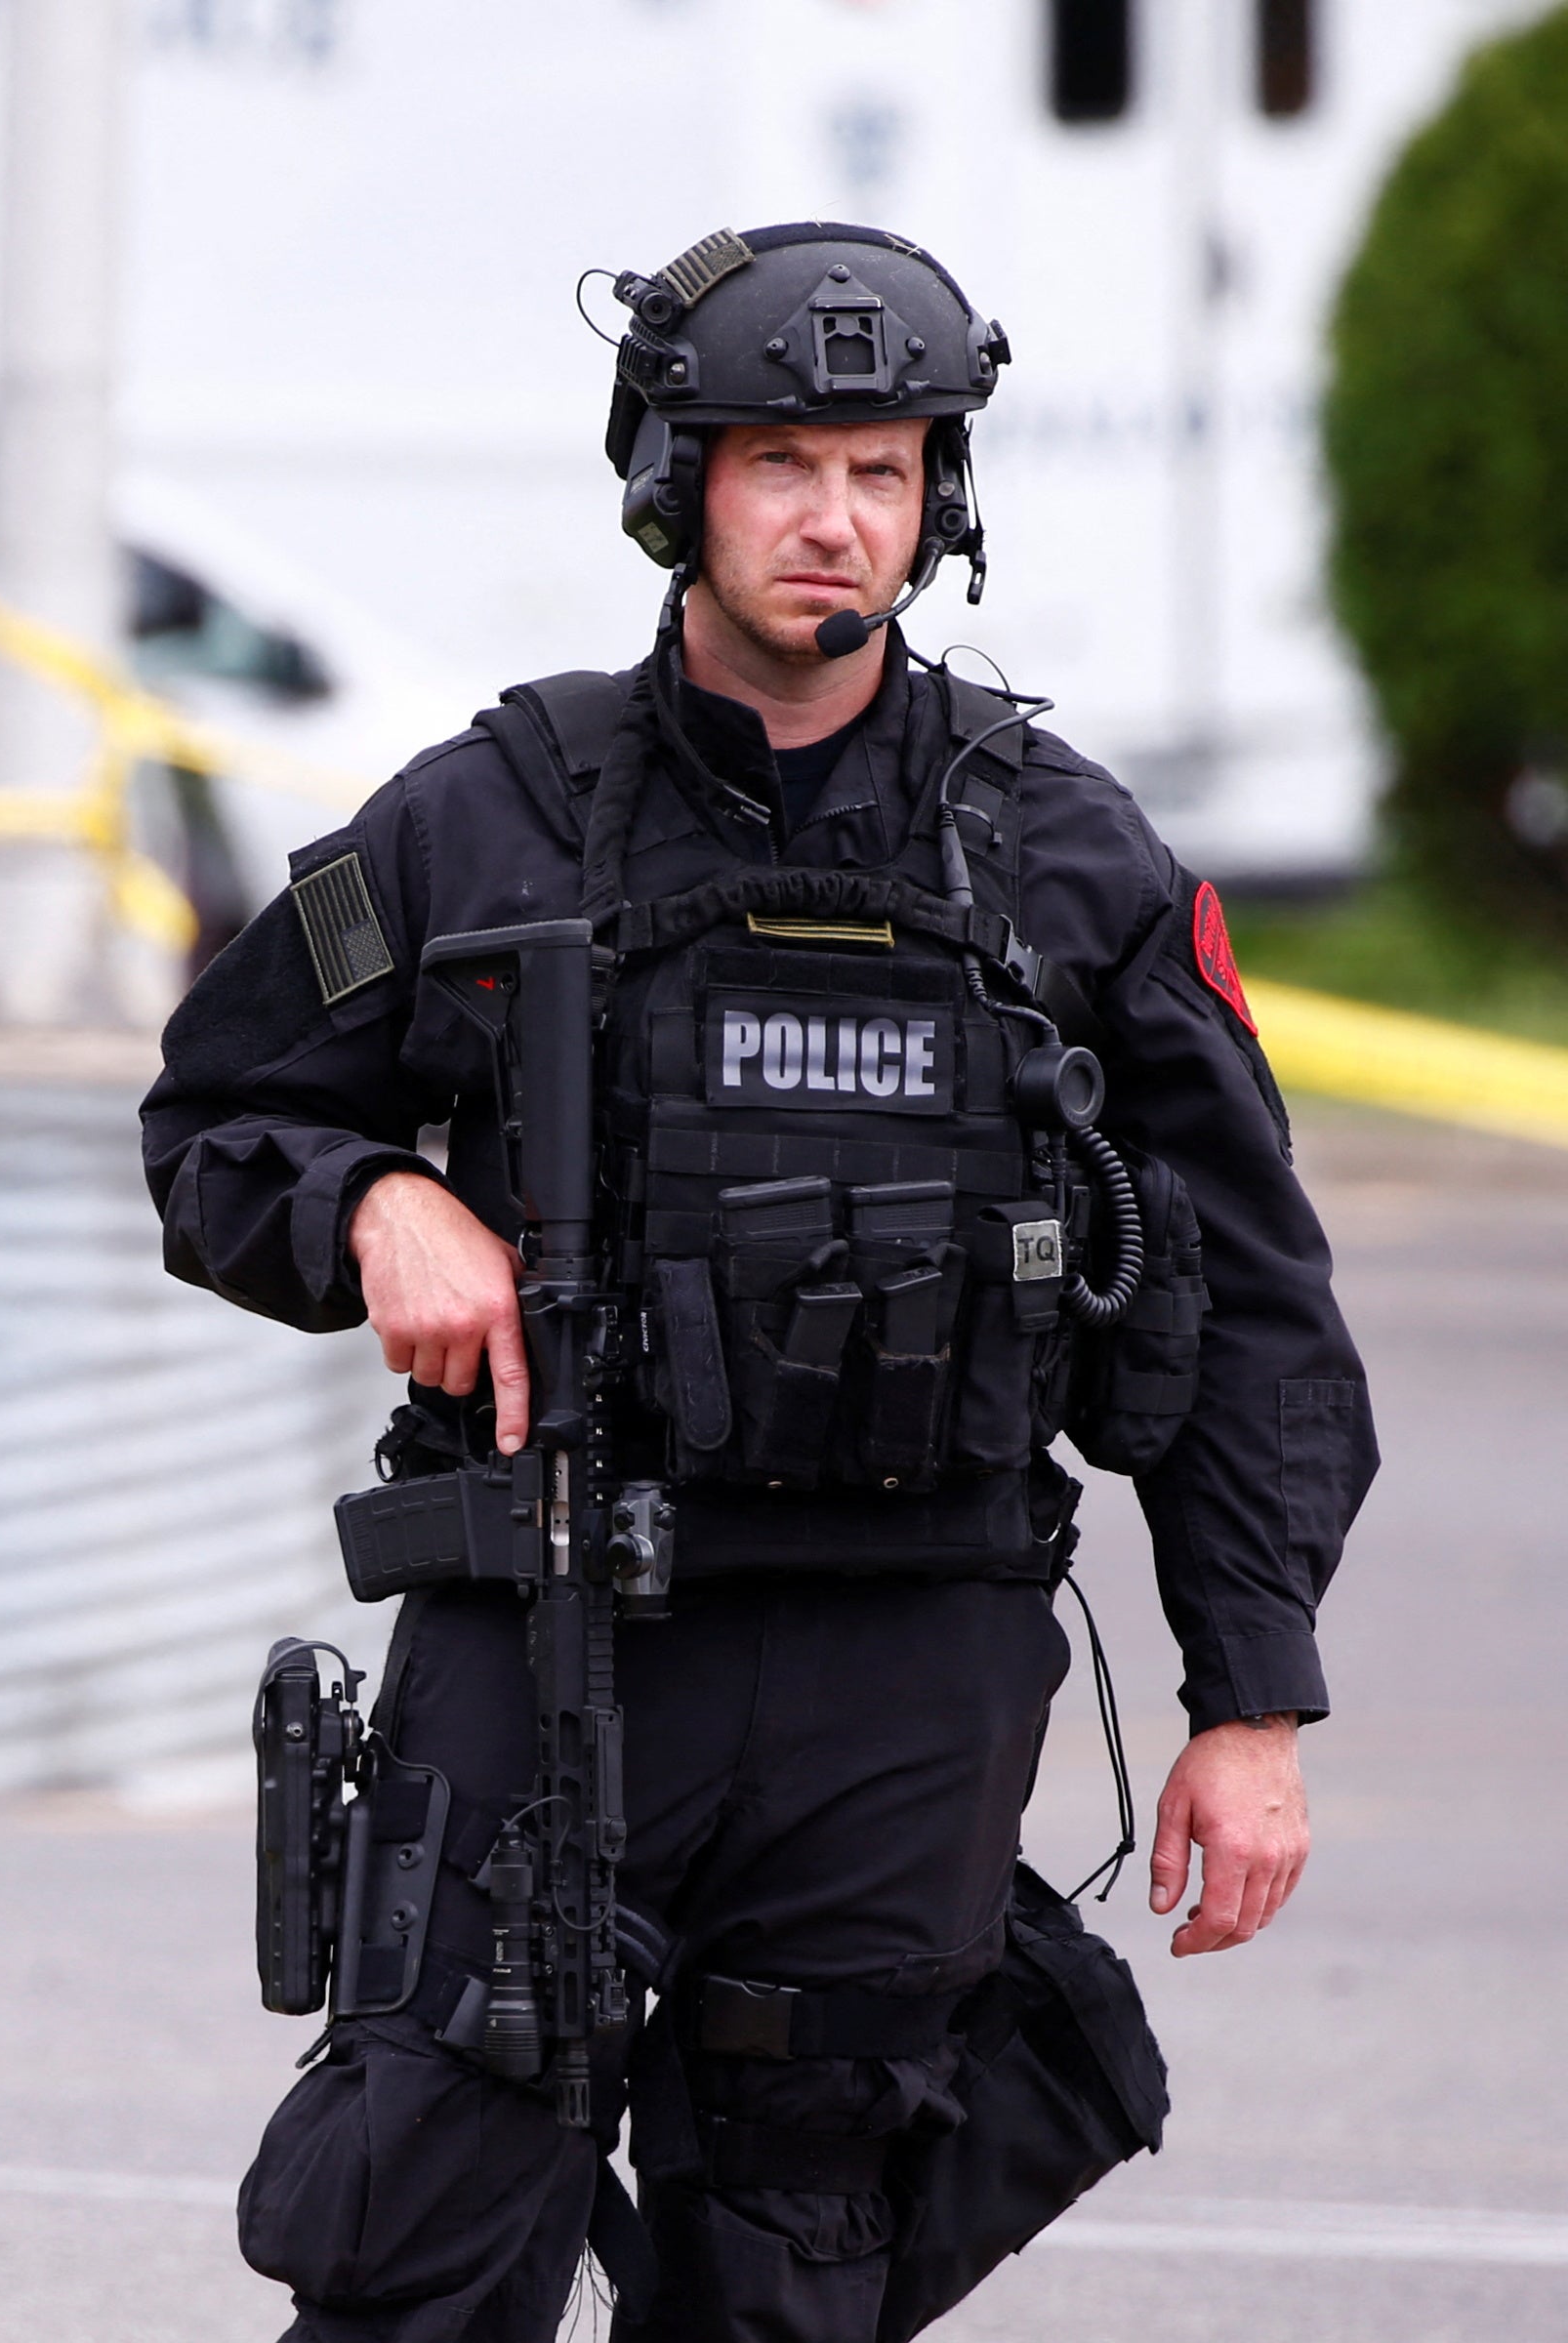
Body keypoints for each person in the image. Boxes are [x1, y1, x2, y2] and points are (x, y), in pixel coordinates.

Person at [143, 224, 1376, 2341]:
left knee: (799, 2259)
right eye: (784, 465)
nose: (836, 522)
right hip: (551, 1631)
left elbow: (1253, 1304)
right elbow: (216, 1119)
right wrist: (369, 1202)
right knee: (419, 2228)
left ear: (940, 501)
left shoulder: (1067, 859)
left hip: (910, 1669)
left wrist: (1248, 1699)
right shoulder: (480, 821)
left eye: (885, 472)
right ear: (676, 482)